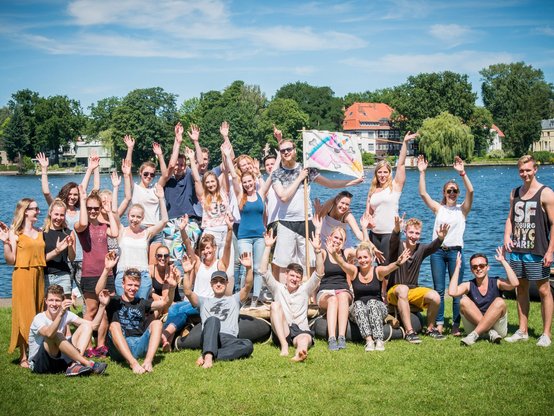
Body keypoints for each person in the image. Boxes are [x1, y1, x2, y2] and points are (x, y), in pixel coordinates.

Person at [270, 129, 363, 281]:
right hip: (286, 221)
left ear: (295, 150)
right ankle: (283, 295)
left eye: (288, 149)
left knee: (310, 261)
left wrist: (353, 181)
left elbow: (331, 184)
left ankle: (310, 295)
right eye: (282, 150)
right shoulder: (277, 174)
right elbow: (283, 196)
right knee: (283, 262)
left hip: (305, 220)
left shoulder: (307, 169)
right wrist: (300, 178)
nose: (286, 152)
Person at [418, 155, 474, 336]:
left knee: (456, 291)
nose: (452, 193)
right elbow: (423, 194)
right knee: (439, 290)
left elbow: (471, 192)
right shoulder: (438, 208)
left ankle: (456, 325)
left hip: (455, 253)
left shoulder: (462, 210)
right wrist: (422, 172)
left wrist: (462, 173)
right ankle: (440, 323)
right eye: (449, 191)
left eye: (455, 191)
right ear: (444, 193)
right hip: (437, 253)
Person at [96, 251, 177, 374]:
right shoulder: (114, 301)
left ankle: (148, 361)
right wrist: (107, 269)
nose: (133, 288)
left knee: (157, 323)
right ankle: (133, 363)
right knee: (114, 325)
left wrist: (172, 287)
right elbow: (98, 292)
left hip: (139, 344)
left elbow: (165, 303)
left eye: (136, 285)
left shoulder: (142, 303)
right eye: (129, 284)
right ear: (122, 284)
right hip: (119, 347)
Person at [504, 155, 554, 347]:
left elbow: (553, 223)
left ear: (535, 170)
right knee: (521, 288)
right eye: (521, 171)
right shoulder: (515, 192)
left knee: (543, 290)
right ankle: (522, 330)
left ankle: (546, 334)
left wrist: (550, 251)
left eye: (528, 170)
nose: (524, 174)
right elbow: (509, 219)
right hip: (517, 249)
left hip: (538, 250)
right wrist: (507, 237)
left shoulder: (546, 193)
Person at [331, 242, 411, 352]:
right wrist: (334, 254)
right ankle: (369, 341)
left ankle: (379, 340)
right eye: (360, 258)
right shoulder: (354, 271)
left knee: (372, 303)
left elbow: (388, 268)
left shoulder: (377, 271)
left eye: (365, 257)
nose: (363, 260)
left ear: (371, 258)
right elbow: (343, 264)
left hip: (377, 308)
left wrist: (398, 263)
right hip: (359, 311)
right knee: (358, 304)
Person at [260, 228, 323, 362]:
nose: (294, 279)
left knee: (305, 338)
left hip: (300, 329)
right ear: (286, 275)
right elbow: (264, 271)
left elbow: (318, 274)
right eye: (292, 276)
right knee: (275, 305)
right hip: (283, 330)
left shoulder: (305, 289)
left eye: (298, 277)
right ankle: (284, 346)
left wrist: (317, 252)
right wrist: (267, 247)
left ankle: (301, 352)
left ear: (301, 279)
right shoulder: (278, 288)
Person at [183, 252, 254, 369]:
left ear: (226, 283)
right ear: (211, 284)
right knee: (213, 320)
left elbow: (248, 286)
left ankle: (208, 355)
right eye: (215, 281)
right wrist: (186, 273)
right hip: (210, 335)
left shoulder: (234, 299)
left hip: (229, 338)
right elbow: (187, 292)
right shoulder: (203, 301)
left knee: (247, 345)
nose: (218, 284)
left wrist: (249, 268)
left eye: (221, 281)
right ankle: (209, 357)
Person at [387, 216, 450, 343]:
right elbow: (393, 239)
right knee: (403, 289)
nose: (414, 236)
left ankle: (431, 329)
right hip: (394, 291)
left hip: (412, 291)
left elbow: (433, 247)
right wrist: (397, 228)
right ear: (405, 232)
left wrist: (441, 238)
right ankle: (410, 332)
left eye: (417, 233)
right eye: (411, 232)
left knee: (435, 296)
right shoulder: (397, 246)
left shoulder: (420, 249)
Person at [0, 199, 46, 368]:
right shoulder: (15, 233)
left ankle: (37, 350)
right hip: (22, 275)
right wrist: (5, 242)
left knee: (38, 311)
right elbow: (11, 260)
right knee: (24, 313)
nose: (38, 212)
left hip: (39, 275)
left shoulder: (40, 231)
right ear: (26, 211)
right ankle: (23, 356)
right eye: (35, 209)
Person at [74, 186, 118, 357]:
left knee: (104, 309)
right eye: (89, 208)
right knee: (91, 311)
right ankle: (84, 345)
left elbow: (114, 232)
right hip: (90, 274)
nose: (92, 211)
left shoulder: (103, 225)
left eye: (95, 208)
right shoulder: (81, 227)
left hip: (107, 273)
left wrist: (109, 211)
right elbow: (84, 222)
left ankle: (100, 345)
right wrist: (84, 201)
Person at [28, 284, 108, 376]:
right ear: (46, 301)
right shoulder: (39, 318)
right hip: (40, 363)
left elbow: (93, 326)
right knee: (55, 334)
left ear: (62, 302)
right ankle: (87, 363)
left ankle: (75, 365)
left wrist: (102, 305)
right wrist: (60, 314)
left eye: (57, 300)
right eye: (51, 300)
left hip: (58, 360)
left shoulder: (66, 314)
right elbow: (49, 334)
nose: (54, 304)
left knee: (86, 326)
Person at [365, 132, 418, 263]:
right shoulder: (372, 190)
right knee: (377, 268)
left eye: (385, 172)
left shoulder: (395, 186)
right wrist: (369, 221)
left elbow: (400, 165)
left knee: (387, 267)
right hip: (374, 234)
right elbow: (368, 214)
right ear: (376, 174)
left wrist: (404, 143)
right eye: (379, 172)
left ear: (389, 173)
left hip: (389, 233)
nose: (382, 175)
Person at [448, 248, 519, 346]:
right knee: (463, 301)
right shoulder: (469, 285)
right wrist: (457, 267)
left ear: (488, 267)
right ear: (472, 270)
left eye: (481, 266)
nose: (478, 269)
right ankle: (489, 332)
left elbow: (515, 283)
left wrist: (503, 261)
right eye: (475, 267)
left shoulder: (496, 282)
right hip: (477, 327)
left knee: (499, 301)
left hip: (497, 328)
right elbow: (452, 292)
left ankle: (476, 334)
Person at [115, 184, 168, 300]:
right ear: (128, 216)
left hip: (143, 276)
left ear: (142, 218)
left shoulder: (146, 233)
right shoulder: (121, 231)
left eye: (138, 217)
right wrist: (115, 188)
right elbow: (114, 213)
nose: (135, 219)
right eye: (132, 216)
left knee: (141, 308)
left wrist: (161, 198)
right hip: (123, 274)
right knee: (123, 308)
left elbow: (164, 220)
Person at [124, 135, 168, 262]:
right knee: (140, 262)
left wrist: (160, 155)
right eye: (146, 174)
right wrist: (130, 148)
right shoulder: (135, 188)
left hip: (156, 230)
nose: (149, 176)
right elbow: (127, 170)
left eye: (152, 174)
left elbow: (165, 174)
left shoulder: (156, 188)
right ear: (140, 173)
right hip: (140, 229)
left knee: (154, 265)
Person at [179, 214, 234, 297]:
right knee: (174, 309)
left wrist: (230, 229)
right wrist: (182, 230)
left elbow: (227, 246)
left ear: (214, 248)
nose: (205, 251)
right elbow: (188, 244)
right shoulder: (198, 263)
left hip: (210, 303)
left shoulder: (220, 264)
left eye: (208, 248)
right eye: (203, 249)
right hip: (196, 302)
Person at [43, 199, 76, 297]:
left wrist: (70, 246)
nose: (59, 218)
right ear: (50, 213)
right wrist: (57, 250)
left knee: (64, 307)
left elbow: (72, 258)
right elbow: (41, 259)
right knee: (48, 308)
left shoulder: (69, 233)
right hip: (46, 275)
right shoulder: (42, 233)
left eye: (62, 215)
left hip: (63, 275)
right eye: (56, 214)